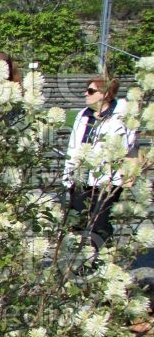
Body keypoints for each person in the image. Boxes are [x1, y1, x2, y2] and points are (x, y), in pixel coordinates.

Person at [62, 76, 136, 247]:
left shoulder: (121, 115)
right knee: (76, 222)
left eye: (91, 91)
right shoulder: (83, 114)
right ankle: (78, 261)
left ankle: (101, 260)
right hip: (81, 178)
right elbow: (72, 148)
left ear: (106, 94)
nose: (85, 94)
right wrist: (69, 175)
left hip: (106, 180)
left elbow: (127, 145)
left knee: (100, 225)